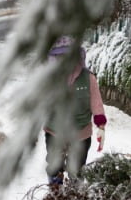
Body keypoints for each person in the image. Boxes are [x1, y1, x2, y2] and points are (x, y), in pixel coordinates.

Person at [44, 36, 106, 187]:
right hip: (54, 130)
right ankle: (55, 195)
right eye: (60, 56)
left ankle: (74, 198)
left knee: (76, 168)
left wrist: (101, 126)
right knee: (54, 165)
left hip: (81, 131)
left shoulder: (88, 78)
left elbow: (96, 102)